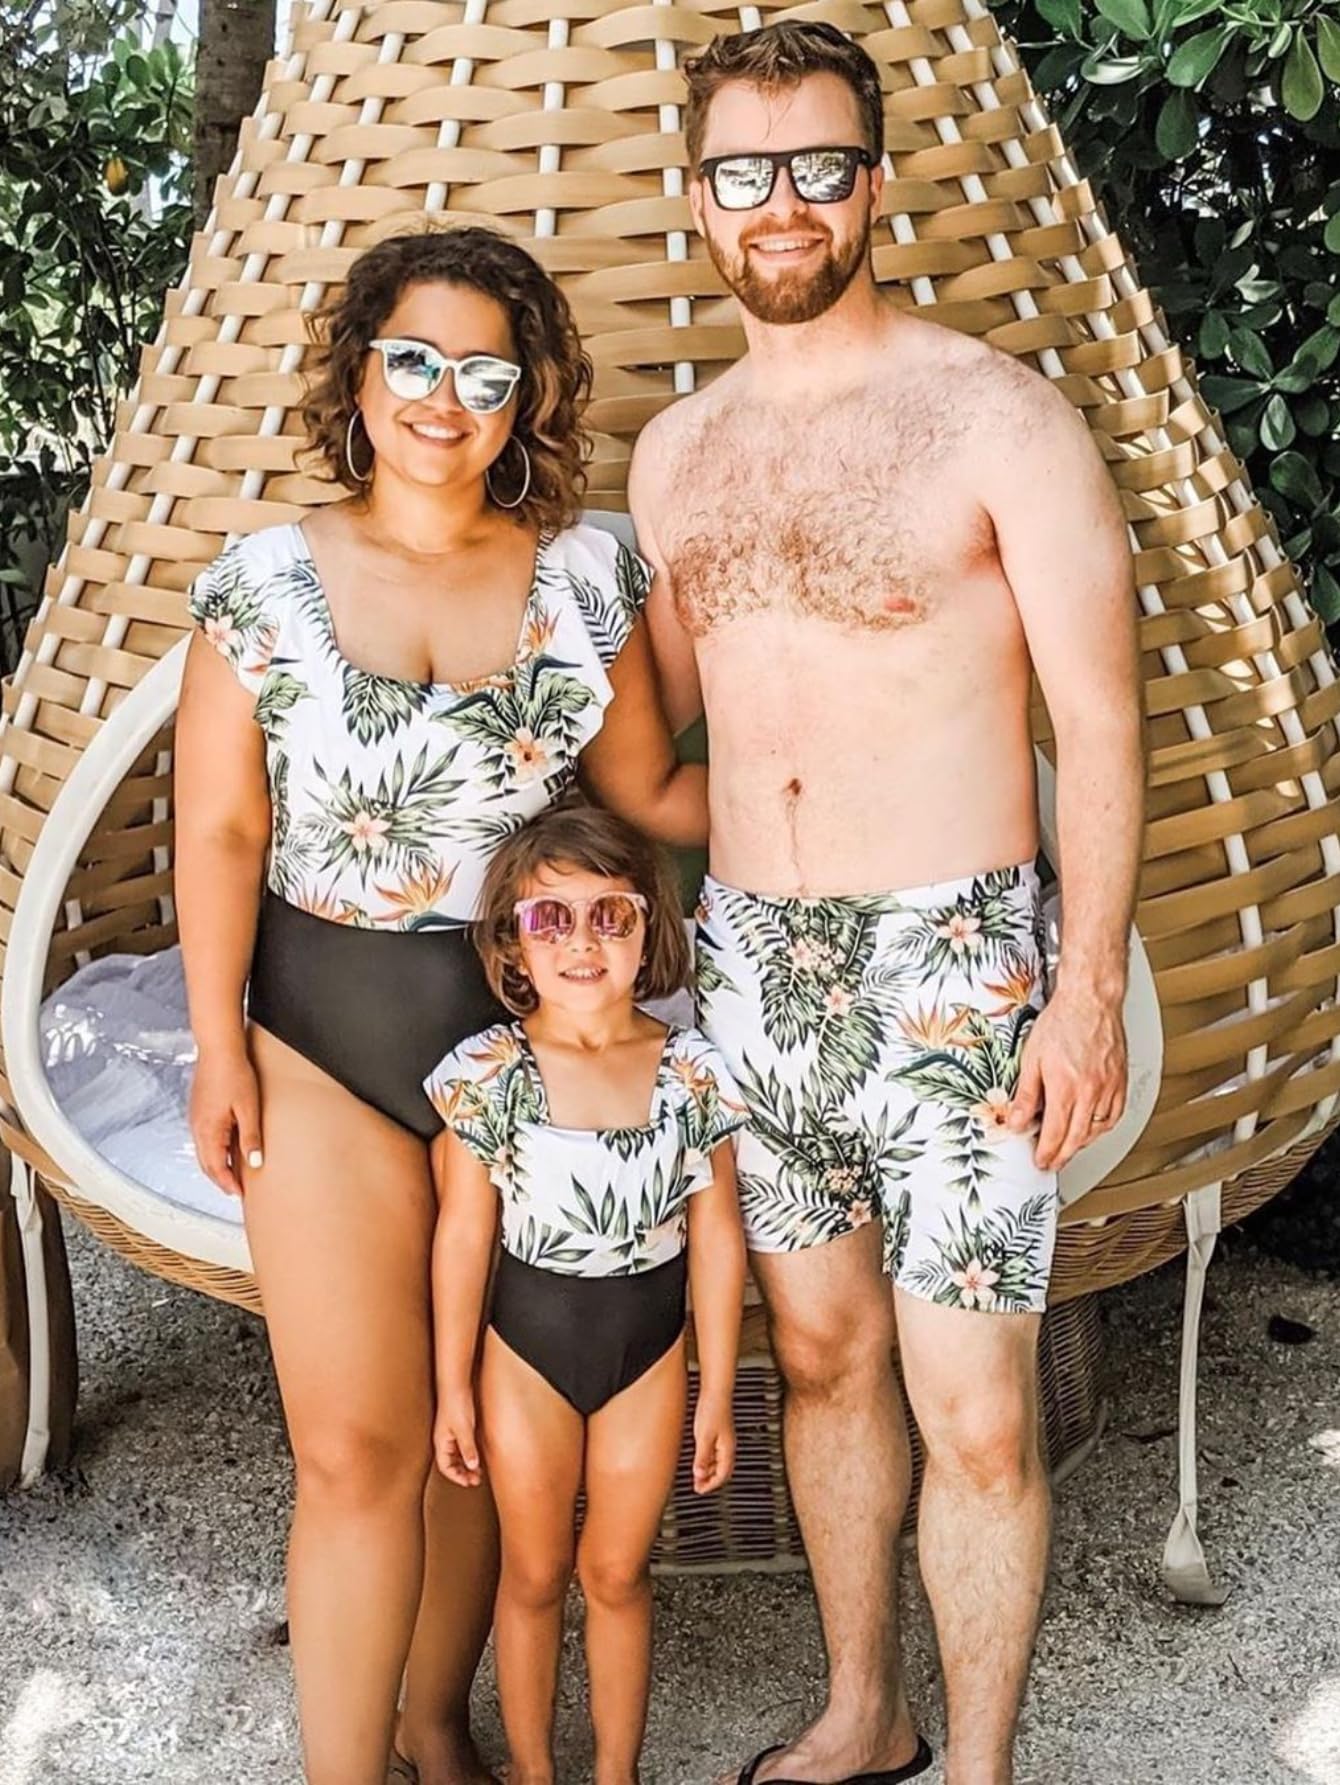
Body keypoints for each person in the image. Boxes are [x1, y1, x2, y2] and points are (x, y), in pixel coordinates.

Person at [627, 22, 1144, 1785]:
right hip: (756, 969)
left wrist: (1081, 992)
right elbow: (676, 730)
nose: (781, 203)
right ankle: (866, 1711)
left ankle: (978, 1770)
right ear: (700, 197)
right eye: (743, 170)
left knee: (979, 1408)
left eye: (817, 165)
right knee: (827, 1360)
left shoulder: (997, 417)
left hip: (954, 971)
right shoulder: (675, 456)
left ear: (872, 182)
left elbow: (1101, 722)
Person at [174, 225, 704, 1785]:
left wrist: (842, 793)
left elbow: (650, 796)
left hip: (519, 1060)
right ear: (358, 373)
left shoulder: (585, 576)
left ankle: (432, 1722)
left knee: (473, 1429)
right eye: (412, 357)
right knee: (359, 1446)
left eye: (485, 371)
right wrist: (215, 1045)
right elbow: (220, 832)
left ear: (525, 397)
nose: (441, 396)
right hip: (318, 1038)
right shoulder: (263, 584)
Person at [427, 806, 747, 1785]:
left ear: (650, 928)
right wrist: (452, 1387)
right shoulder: (490, 1075)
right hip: (524, 1352)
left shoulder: (690, 1071)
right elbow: (462, 1237)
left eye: (610, 915)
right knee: (531, 1574)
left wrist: (718, 1387)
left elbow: (716, 1234)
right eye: (549, 918)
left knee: (614, 1572)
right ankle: (533, 1771)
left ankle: (616, 1772)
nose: (580, 942)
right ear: (512, 943)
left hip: (646, 1353)